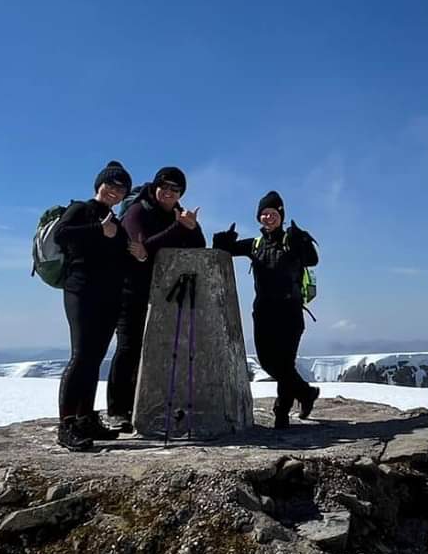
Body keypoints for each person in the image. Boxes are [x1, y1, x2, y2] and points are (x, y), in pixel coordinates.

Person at [106, 166, 206, 430]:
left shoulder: (178, 214)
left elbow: (199, 247)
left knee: (157, 349)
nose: (169, 193)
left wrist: (191, 227)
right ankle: (118, 409)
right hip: (130, 292)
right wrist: (179, 227)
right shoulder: (138, 210)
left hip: (163, 295)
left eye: (176, 189)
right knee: (129, 348)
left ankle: (145, 403)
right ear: (155, 186)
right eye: (165, 186)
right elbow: (140, 247)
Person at [214, 191, 320, 428]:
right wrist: (222, 240)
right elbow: (226, 250)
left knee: (284, 363)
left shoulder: (291, 240)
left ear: (281, 214)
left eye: (272, 213)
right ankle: (306, 393)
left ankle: (281, 413)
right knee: (268, 362)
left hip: (290, 312)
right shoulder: (256, 244)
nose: (268, 218)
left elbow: (312, 260)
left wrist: (301, 239)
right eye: (263, 214)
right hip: (263, 312)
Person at [52, 160, 134, 451]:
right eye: (110, 184)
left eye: (121, 187)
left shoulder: (116, 222)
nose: (115, 190)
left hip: (109, 296)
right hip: (81, 291)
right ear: (99, 185)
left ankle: (86, 418)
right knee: (82, 355)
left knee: (95, 358)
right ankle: (67, 425)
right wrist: (97, 231)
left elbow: (121, 258)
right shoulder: (81, 210)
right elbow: (61, 235)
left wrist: (137, 253)